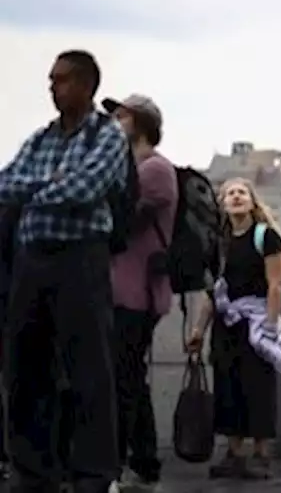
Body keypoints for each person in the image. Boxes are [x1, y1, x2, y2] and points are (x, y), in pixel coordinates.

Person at [0, 50, 129, 493]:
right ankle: (32, 469)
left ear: (87, 85)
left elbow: (85, 187)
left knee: (88, 366)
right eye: (51, 80)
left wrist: (39, 188)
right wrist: (51, 182)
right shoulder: (41, 139)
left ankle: (93, 472)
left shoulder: (107, 136)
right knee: (25, 364)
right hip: (32, 259)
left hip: (80, 258)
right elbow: (5, 183)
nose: (53, 88)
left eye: (62, 80)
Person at [187, 178, 281, 479]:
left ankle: (260, 453)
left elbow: (276, 284)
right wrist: (198, 329)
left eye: (241, 192)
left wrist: (271, 326)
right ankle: (234, 451)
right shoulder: (218, 242)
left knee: (258, 385)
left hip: (256, 321)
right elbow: (213, 290)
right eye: (230, 193)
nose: (236, 197)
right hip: (226, 322)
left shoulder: (266, 236)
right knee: (228, 384)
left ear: (252, 200)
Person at [105, 94, 177, 491]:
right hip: (122, 290)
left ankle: (113, 466)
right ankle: (145, 461)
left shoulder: (154, 169)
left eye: (122, 116)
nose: (114, 121)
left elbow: (121, 222)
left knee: (121, 379)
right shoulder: (132, 168)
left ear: (142, 122)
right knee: (131, 377)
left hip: (138, 294)